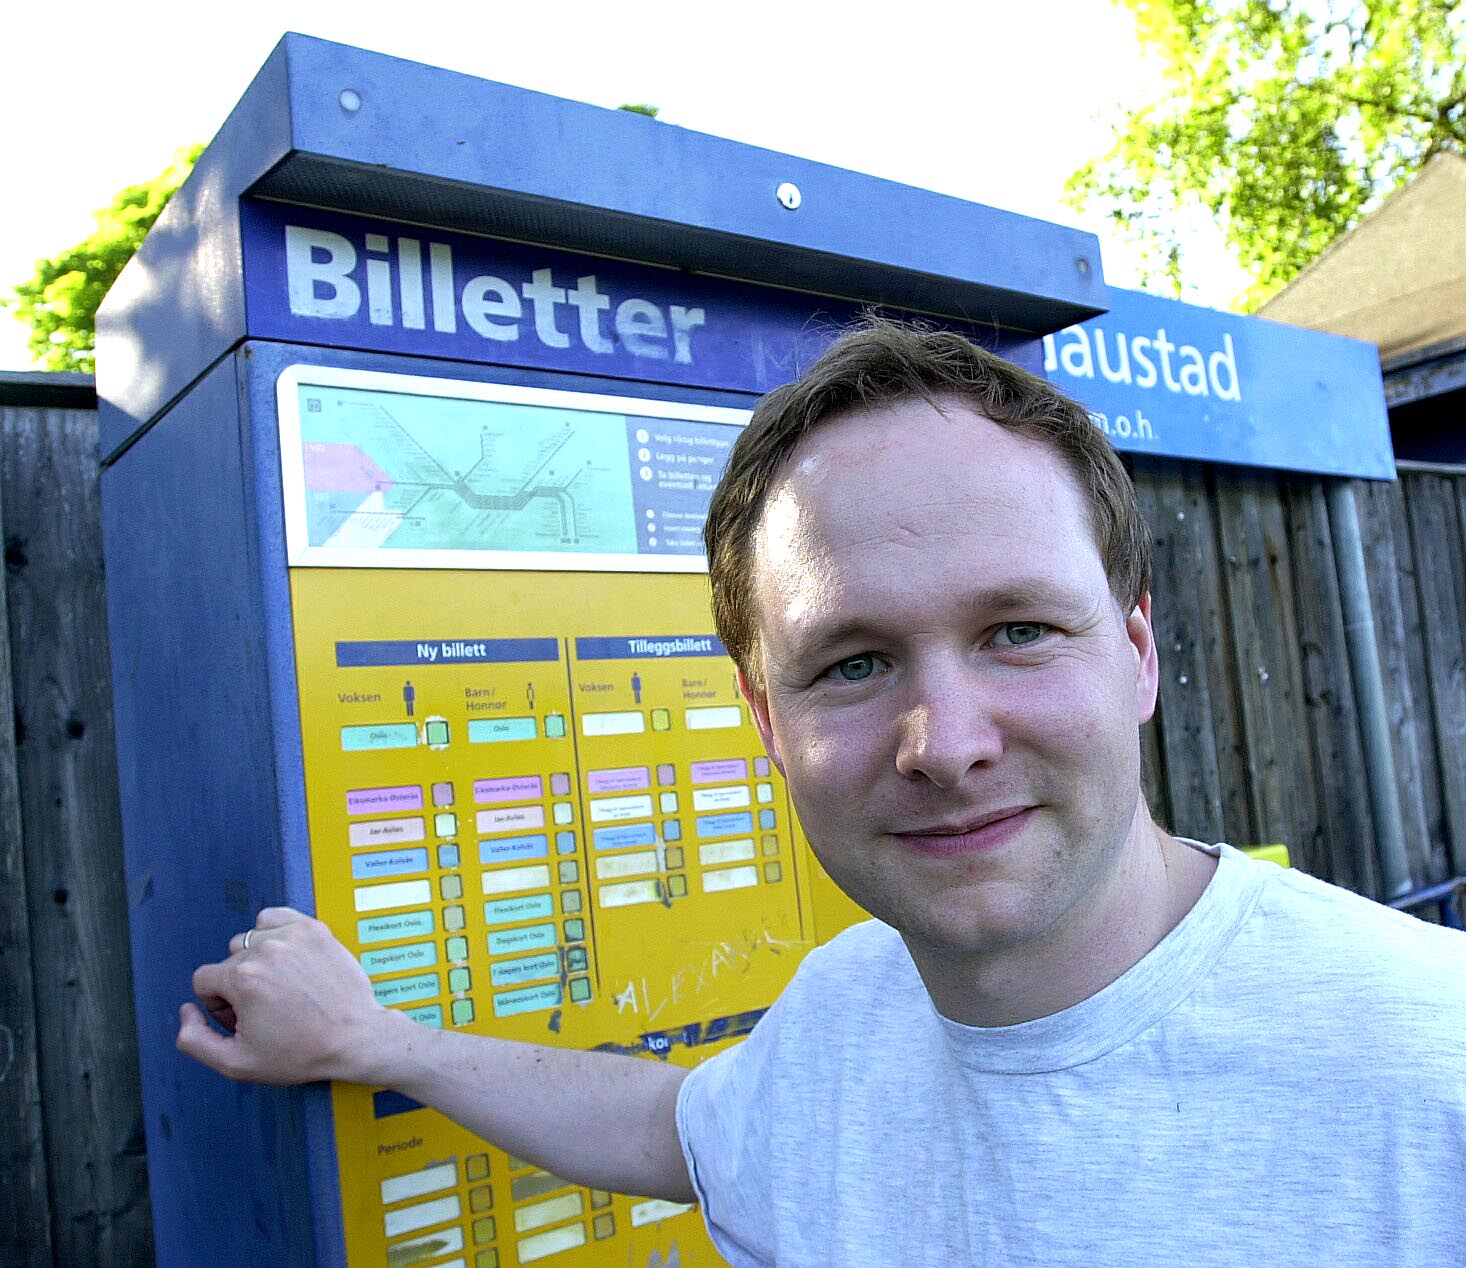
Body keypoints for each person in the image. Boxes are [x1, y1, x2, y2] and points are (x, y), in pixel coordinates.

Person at [180, 321, 1465, 1266]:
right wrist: (373, 1042)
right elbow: (663, 1123)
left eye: (1017, 629)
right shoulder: (841, 1013)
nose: (944, 741)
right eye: (851, 662)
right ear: (765, 722)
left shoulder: (1428, 1064)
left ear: (1133, 651)